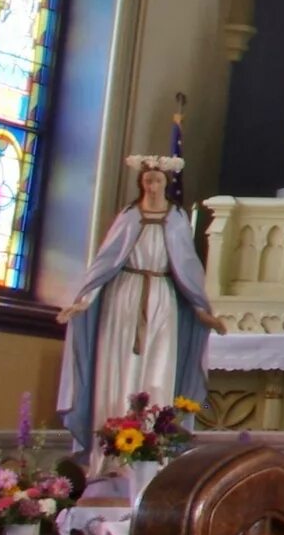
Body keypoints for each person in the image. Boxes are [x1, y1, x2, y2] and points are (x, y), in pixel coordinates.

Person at [57, 153, 216, 451]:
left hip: (163, 299)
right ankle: (110, 447)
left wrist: (201, 309)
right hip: (123, 297)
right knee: (116, 369)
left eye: (157, 180)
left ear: (166, 183)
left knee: (159, 369)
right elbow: (106, 262)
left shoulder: (178, 219)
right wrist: (84, 300)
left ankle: (153, 446)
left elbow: (187, 268)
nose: (153, 186)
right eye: (147, 180)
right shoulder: (128, 217)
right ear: (141, 183)